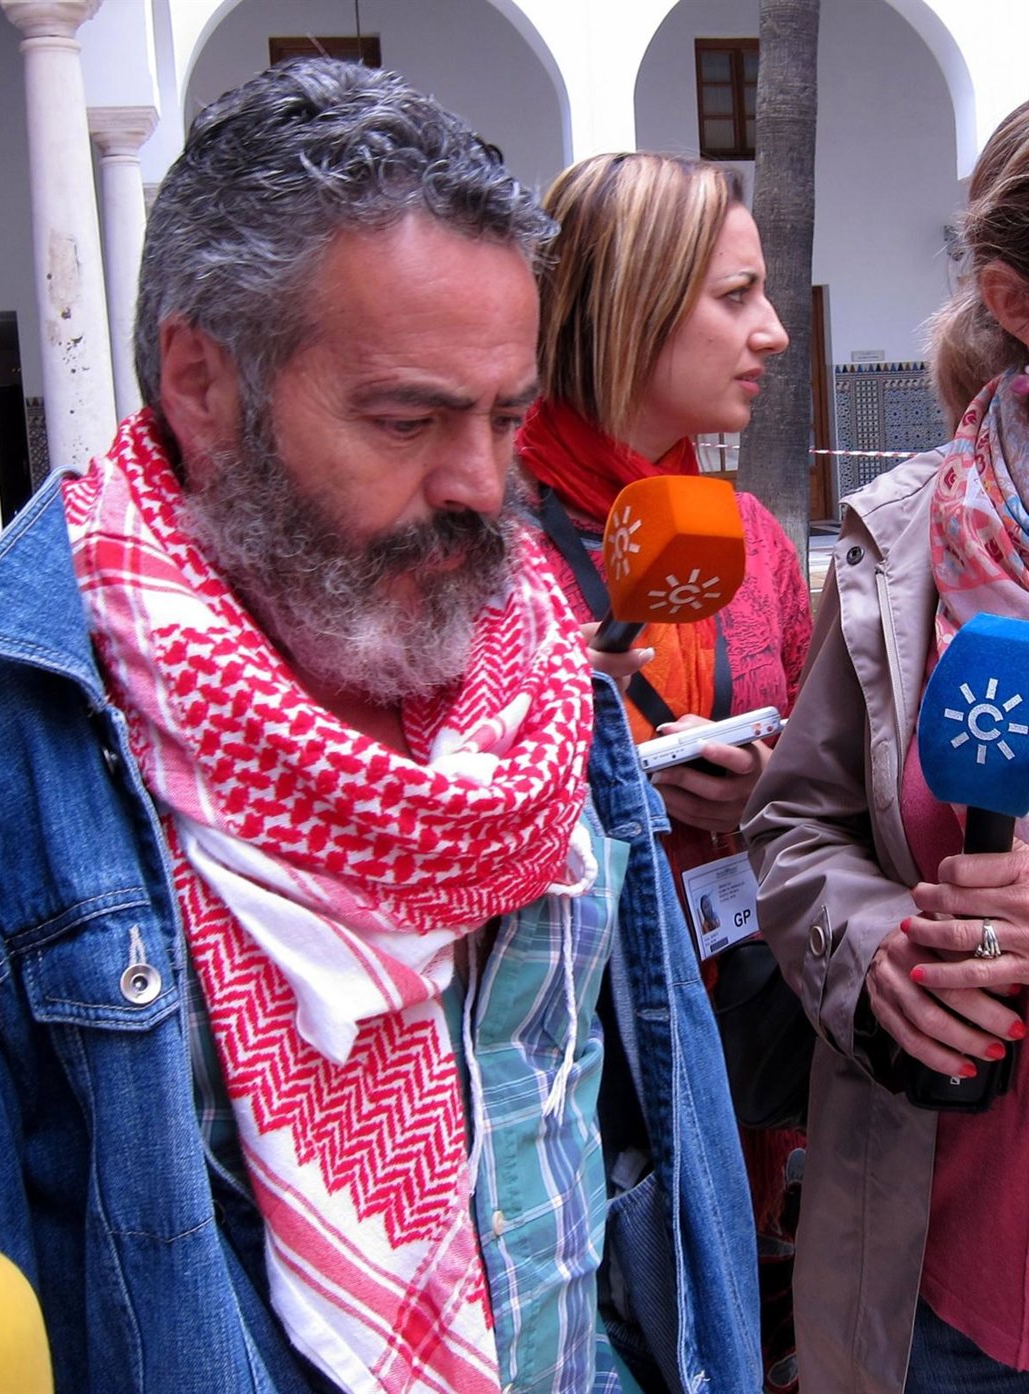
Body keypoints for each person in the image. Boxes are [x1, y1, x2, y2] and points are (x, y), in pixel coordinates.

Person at [0, 61, 760, 1394]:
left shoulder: (546, 677)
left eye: (506, 417)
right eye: (408, 418)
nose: (480, 484)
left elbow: (645, 1140)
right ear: (201, 381)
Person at [744, 99, 1029, 1394]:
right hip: (944, 1292)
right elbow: (794, 823)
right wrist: (872, 955)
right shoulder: (896, 545)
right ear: (1014, 300)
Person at [515, 151, 811, 1393]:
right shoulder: (486, 545)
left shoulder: (749, 540)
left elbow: (826, 784)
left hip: (746, 1056)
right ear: (630, 307)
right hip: (570, 1093)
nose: (775, 332)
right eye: (736, 297)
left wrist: (765, 794)